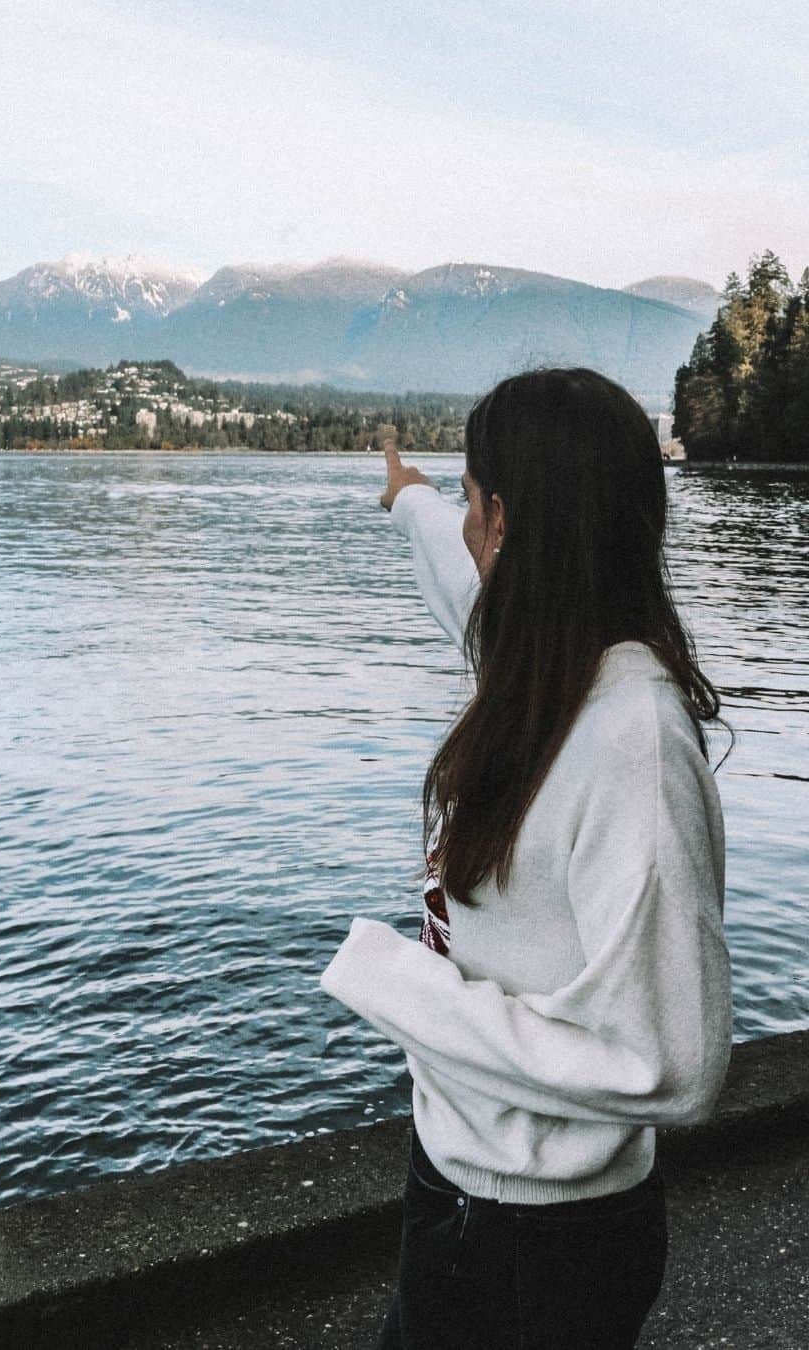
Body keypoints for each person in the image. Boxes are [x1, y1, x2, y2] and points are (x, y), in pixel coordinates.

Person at [319, 367, 733, 1350]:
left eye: (471, 500)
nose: (463, 526)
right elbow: (454, 573)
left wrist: (404, 989)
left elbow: (673, 1065)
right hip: (460, 1191)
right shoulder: (538, 667)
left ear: (506, 521)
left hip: (540, 1244)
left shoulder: (631, 735)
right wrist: (409, 493)